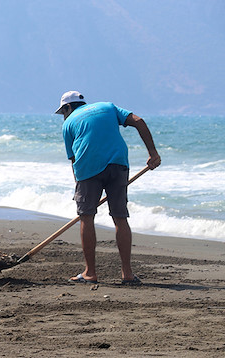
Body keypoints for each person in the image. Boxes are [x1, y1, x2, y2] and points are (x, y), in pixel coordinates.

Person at [55, 90, 161, 285]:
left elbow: (73, 159)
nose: (64, 116)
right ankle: (127, 274)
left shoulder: (68, 124)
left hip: (88, 169)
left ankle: (90, 273)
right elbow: (139, 121)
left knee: (86, 217)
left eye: (63, 111)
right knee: (120, 217)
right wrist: (153, 153)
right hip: (118, 164)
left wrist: (81, 189)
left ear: (68, 107)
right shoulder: (108, 106)